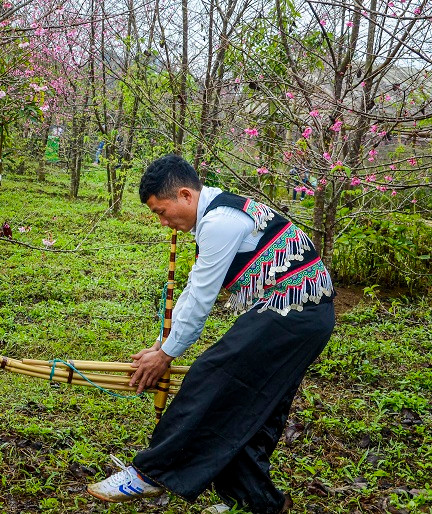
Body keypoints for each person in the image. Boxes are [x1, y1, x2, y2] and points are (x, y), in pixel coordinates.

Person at [87, 154, 335, 513]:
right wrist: (162, 344)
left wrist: (166, 356)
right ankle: (256, 502)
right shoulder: (217, 214)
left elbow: (201, 299)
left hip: (295, 313)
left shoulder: (220, 221)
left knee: (212, 378)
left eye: (161, 211)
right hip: (296, 314)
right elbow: (193, 289)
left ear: (186, 195)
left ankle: (151, 474)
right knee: (254, 405)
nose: (163, 222)